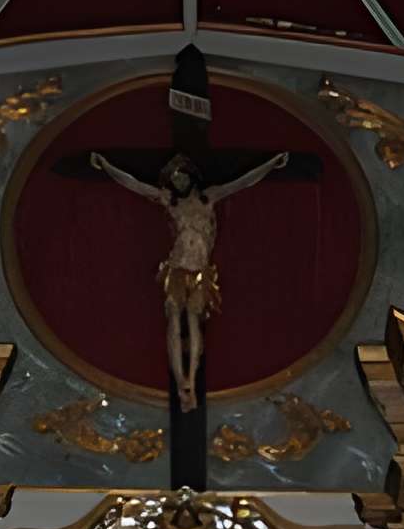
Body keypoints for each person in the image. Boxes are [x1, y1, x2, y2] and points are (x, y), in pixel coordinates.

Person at [85, 148, 287, 409]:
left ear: (192, 178)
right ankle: (180, 380)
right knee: (174, 320)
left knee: (193, 321)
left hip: (201, 271)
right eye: (175, 179)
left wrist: (270, 163)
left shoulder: (208, 198)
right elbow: (134, 185)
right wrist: (107, 165)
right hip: (178, 268)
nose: (179, 182)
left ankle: (190, 379)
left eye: (182, 177)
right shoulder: (170, 201)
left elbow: (243, 182)